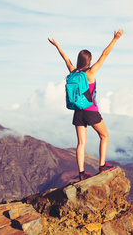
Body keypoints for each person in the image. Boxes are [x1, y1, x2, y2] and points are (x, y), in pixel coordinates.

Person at [48, 29, 124, 180]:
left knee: (81, 143)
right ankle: (102, 165)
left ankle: (81, 173)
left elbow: (66, 59)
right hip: (91, 110)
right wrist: (115, 38)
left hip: (78, 111)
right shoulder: (91, 72)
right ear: (89, 60)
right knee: (104, 135)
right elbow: (104, 55)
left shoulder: (73, 72)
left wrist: (57, 45)